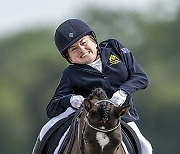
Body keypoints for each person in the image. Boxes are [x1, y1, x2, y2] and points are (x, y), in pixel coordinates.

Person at [46, 19, 153, 154]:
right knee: (46, 130)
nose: (82, 50)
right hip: (89, 120)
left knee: (146, 148)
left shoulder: (114, 48)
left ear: (94, 41)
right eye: (74, 49)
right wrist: (71, 99)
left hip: (120, 117)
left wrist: (123, 92)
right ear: (70, 59)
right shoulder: (70, 74)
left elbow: (141, 77)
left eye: (84, 43)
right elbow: (51, 108)